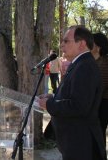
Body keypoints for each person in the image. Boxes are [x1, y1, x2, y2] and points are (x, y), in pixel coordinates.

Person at [38, 26, 106, 160]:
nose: (61, 44)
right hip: (75, 140)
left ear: (81, 44)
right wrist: (53, 97)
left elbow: (79, 106)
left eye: (66, 41)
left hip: (81, 143)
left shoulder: (85, 66)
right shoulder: (79, 63)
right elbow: (74, 95)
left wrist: (49, 105)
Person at [91, 32, 108, 143]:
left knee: (99, 134)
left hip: (103, 103)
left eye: (90, 43)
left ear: (98, 47)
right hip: (98, 103)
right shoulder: (95, 61)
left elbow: (100, 86)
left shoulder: (103, 63)